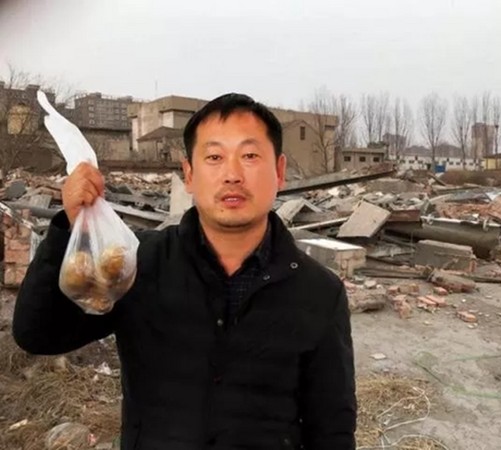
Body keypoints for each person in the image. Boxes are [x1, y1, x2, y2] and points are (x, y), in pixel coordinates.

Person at [12, 93, 357, 449]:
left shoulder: (318, 292)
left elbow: (332, 427)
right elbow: (38, 334)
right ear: (189, 174)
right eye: (214, 157)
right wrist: (70, 229)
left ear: (280, 172)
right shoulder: (139, 264)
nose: (232, 175)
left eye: (250, 156)